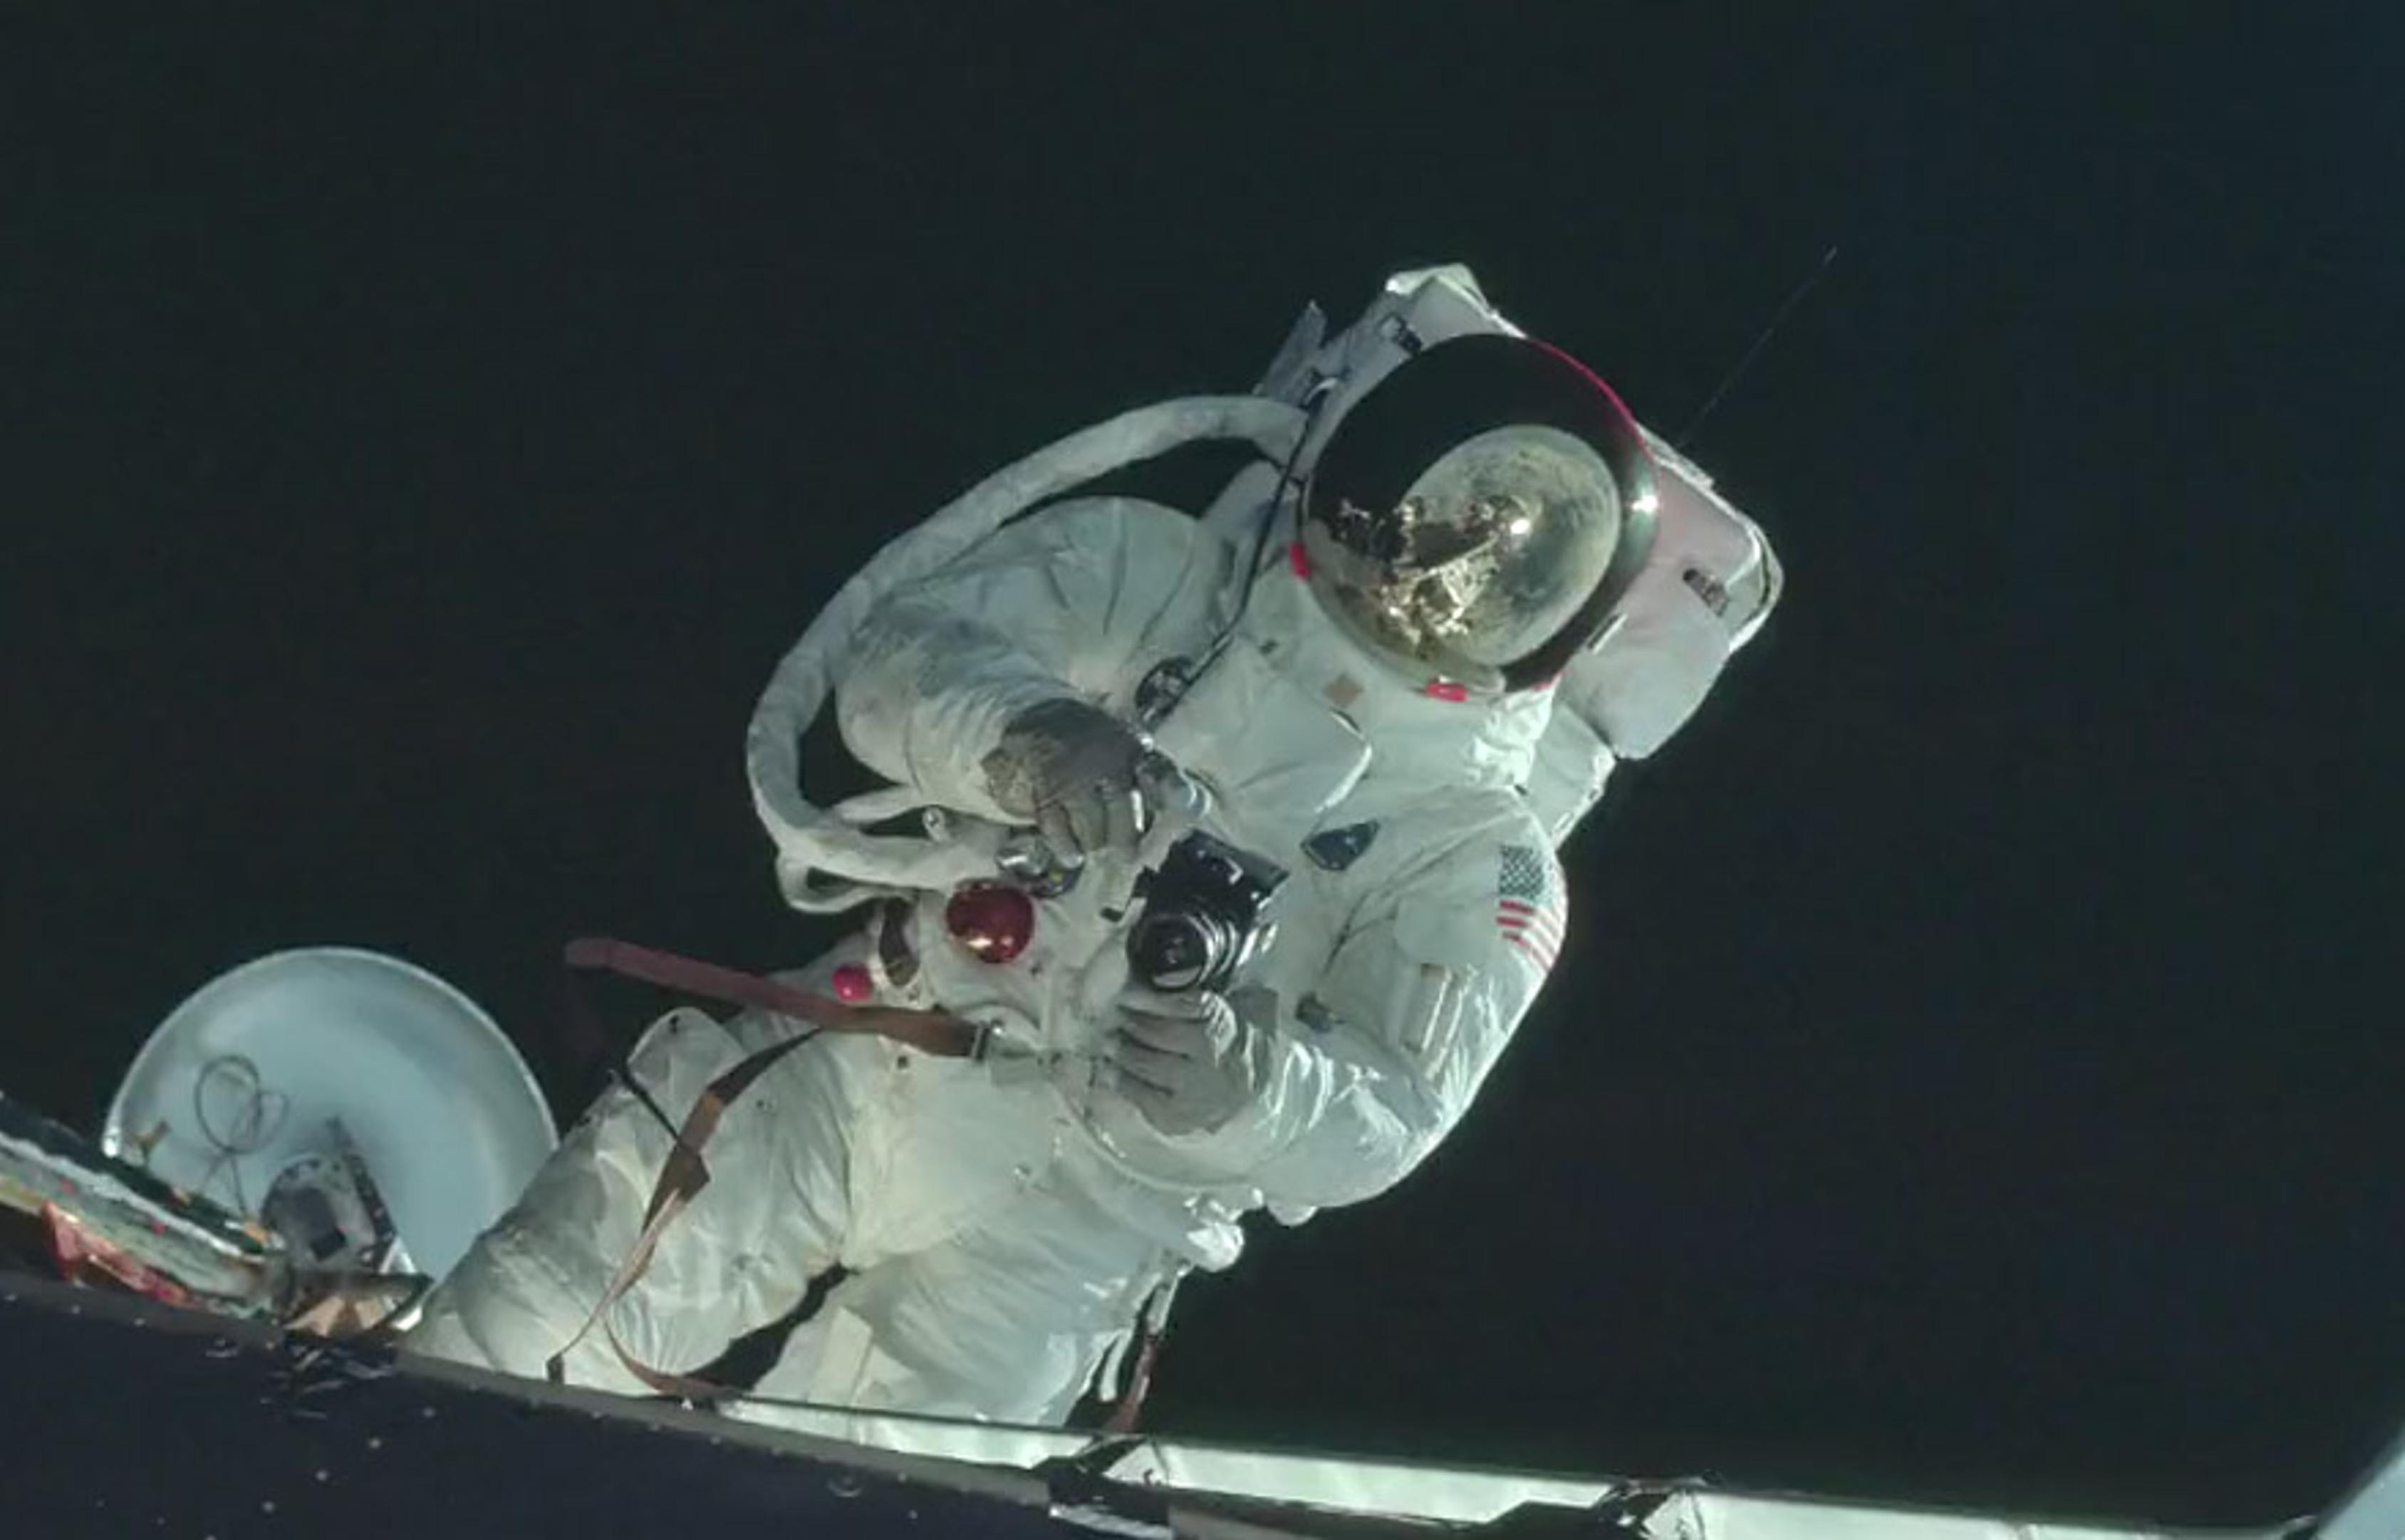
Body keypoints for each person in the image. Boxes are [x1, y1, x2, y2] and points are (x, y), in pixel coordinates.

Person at [404, 266, 1771, 1427]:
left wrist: (1251, 1085)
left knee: (847, 1497)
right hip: (892, 1042)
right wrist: (1027, 735)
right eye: (1438, 511)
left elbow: (1396, 1103)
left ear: (1552, 613)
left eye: (1498, 558)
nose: (1437, 568)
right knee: (534, 1306)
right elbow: (895, 658)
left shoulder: (1485, 852)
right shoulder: (1163, 580)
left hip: (1077, 1232)